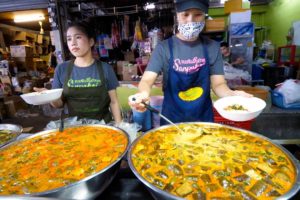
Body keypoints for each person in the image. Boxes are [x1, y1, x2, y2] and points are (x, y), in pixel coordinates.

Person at [128, 0, 251, 125]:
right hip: (172, 120)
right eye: (185, 15)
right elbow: (147, 80)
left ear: (205, 16)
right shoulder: (163, 48)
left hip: (203, 119)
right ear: (177, 15)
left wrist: (231, 94)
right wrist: (143, 93)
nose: (191, 20)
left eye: (197, 14)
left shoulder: (212, 47)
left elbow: (218, 84)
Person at [35, 21, 122, 124]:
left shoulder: (106, 68)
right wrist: (48, 95)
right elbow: (58, 104)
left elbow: (114, 102)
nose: (73, 43)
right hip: (75, 128)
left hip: (104, 125)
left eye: (78, 37)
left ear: (91, 42)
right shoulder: (62, 69)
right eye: (69, 39)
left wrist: (120, 126)